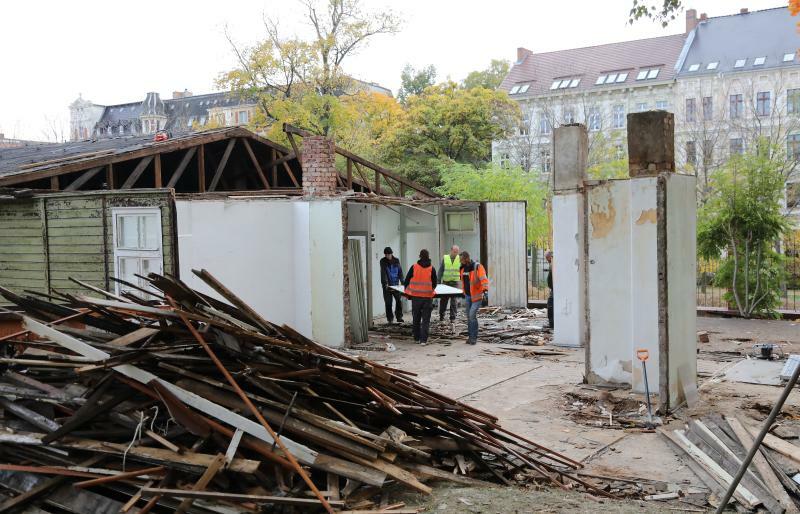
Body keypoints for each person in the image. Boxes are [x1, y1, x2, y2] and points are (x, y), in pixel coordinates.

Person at [403, 249, 437, 345]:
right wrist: (430, 290)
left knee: (416, 318)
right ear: (428, 256)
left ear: (419, 256)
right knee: (426, 320)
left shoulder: (414, 267)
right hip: (427, 298)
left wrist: (408, 292)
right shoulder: (431, 268)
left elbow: (406, 281)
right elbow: (435, 283)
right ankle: (423, 340)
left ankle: (416, 338)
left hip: (416, 298)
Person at [460, 251, 489, 345]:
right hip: (468, 296)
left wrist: (485, 291)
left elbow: (484, 279)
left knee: (472, 315)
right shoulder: (462, 269)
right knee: (469, 317)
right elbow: (464, 282)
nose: (460, 261)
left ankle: (473, 338)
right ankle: (471, 337)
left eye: (461, 259)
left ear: (466, 258)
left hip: (477, 296)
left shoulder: (477, 267)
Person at [379, 247, 404, 324]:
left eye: (389, 254)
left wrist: (403, 281)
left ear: (391, 254)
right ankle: (390, 319)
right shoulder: (383, 261)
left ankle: (399, 317)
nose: (387, 256)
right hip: (387, 286)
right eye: (386, 255)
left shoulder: (396, 261)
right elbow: (383, 273)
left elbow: (400, 272)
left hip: (395, 285)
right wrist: (385, 283)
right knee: (388, 302)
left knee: (399, 301)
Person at [437, 245, 461, 323]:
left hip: (455, 283)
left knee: (454, 301)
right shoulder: (446, 258)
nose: (456, 253)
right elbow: (441, 270)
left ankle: (452, 317)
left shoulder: (459, 259)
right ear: (451, 250)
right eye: (455, 252)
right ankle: (441, 315)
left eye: (457, 252)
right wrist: (438, 280)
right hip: (446, 283)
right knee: (444, 300)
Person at [545, 250, 554, 331]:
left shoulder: (553, 263)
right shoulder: (552, 263)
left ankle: (552, 324)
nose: (546, 260)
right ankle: (552, 323)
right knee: (551, 304)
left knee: (550, 305)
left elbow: (551, 277)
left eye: (547, 258)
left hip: (555, 288)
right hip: (554, 288)